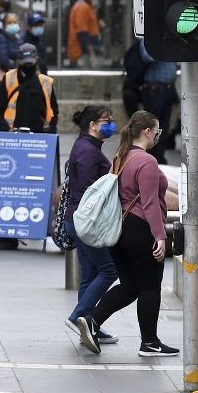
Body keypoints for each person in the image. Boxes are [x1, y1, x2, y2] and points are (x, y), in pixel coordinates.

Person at [77, 110, 179, 357]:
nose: (157, 136)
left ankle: (92, 321)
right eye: (157, 131)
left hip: (119, 230)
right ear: (147, 132)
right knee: (150, 286)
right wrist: (160, 236)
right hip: (139, 229)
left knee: (131, 286)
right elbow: (150, 203)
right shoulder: (147, 161)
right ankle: (150, 342)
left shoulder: (121, 156)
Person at [63, 105, 119, 345]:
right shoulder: (87, 150)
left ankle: (90, 325)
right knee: (109, 270)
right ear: (93, 125)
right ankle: (80, 317)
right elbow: (90, 191)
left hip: (76, 219)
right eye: (106, 121)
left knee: (89, 275)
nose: (111, 124)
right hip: (85, 220)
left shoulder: (88, 146)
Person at [0, 43, 59, 133]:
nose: (28, 66)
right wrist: (7, 130)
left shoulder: (45, 82)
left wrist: (50, 134)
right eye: (25, 63)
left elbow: (54, 112)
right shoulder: (9, 78)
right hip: (14, 136)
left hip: (39, 135)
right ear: (19, 61)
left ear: (36, 60)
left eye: (30, 63)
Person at [138, 39, 177, 164]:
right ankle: (150, 158)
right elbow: (146, 57)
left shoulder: (168, 38)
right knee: (152, 126)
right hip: (155, 90)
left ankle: (159, 158)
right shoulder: (147, 39)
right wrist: (160, 45)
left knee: (163, 127)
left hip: (168, 89)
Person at [68, 0, 105, 97]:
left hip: (87, 51)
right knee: (86, 85)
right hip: (82, 52)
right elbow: (82, 33)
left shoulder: (87, 6)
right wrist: (91, 53)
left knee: (90, 84)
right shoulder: (82, 7)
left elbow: (88, 27)